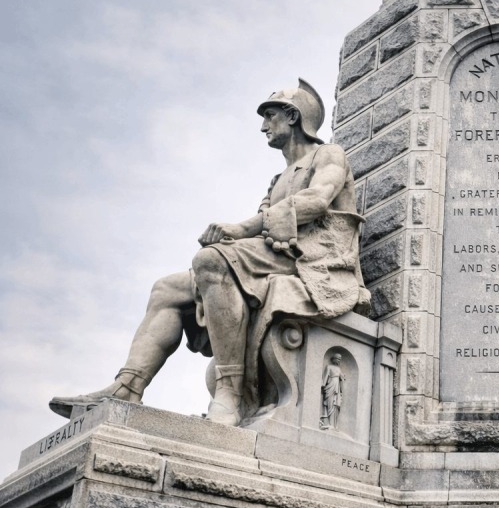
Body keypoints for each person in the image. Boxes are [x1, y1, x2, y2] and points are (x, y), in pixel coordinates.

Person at [50, 80, 369, 426]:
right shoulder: (277, 180)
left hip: (316, 262)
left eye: (270, 116)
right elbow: (264, 226)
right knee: (167, 288)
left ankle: (230, 392)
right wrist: (237, 237)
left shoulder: (328, 155)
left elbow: (317, 201)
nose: (264, 126)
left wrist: (238, 231)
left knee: (210, 260)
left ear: (292, 117)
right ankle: (128, 386)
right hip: (277, 258)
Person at [320, 353, 345, 430]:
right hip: (330, 385)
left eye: (339, 359)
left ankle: (333, 424)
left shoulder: (339, 369)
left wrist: (341, 389)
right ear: (333, 359)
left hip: (336, 386)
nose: (338, 360)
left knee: (335, 405)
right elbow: (326, 376)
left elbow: (341, 378)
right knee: (329, 403)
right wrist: (323, 384)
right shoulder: (329, 367)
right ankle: (327, 422)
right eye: (337, 358)